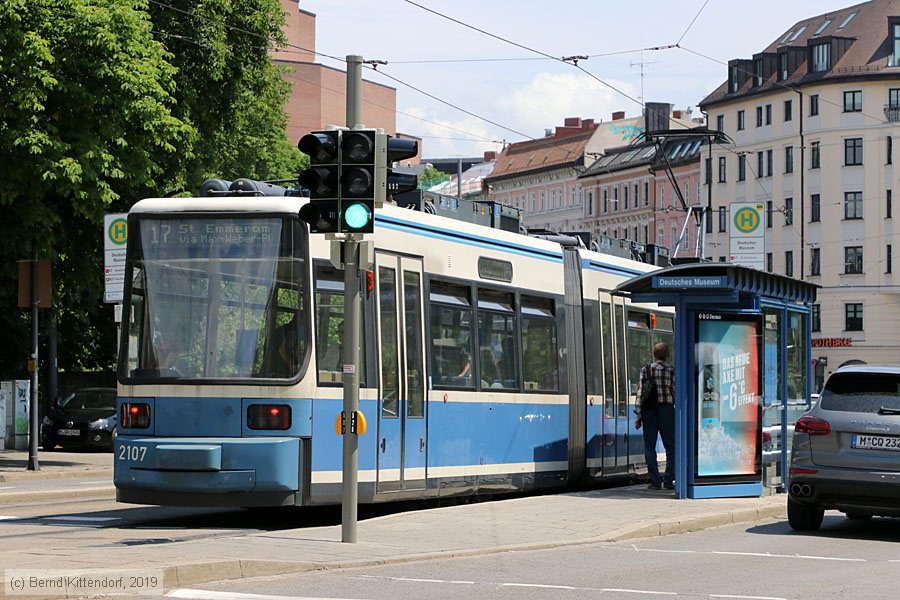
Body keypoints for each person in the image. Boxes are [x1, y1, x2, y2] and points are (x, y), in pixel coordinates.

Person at [635, 342, 676, 491]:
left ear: (653, 354)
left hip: (649, 412)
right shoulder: (671, 370)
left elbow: (640, 393)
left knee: (649, 447)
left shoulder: (646, 370)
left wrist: (638, 414)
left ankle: (655, 481)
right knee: (671, 446)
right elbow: (675, 391)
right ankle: (669, 479)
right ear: (667, 355)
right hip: (666, 410)